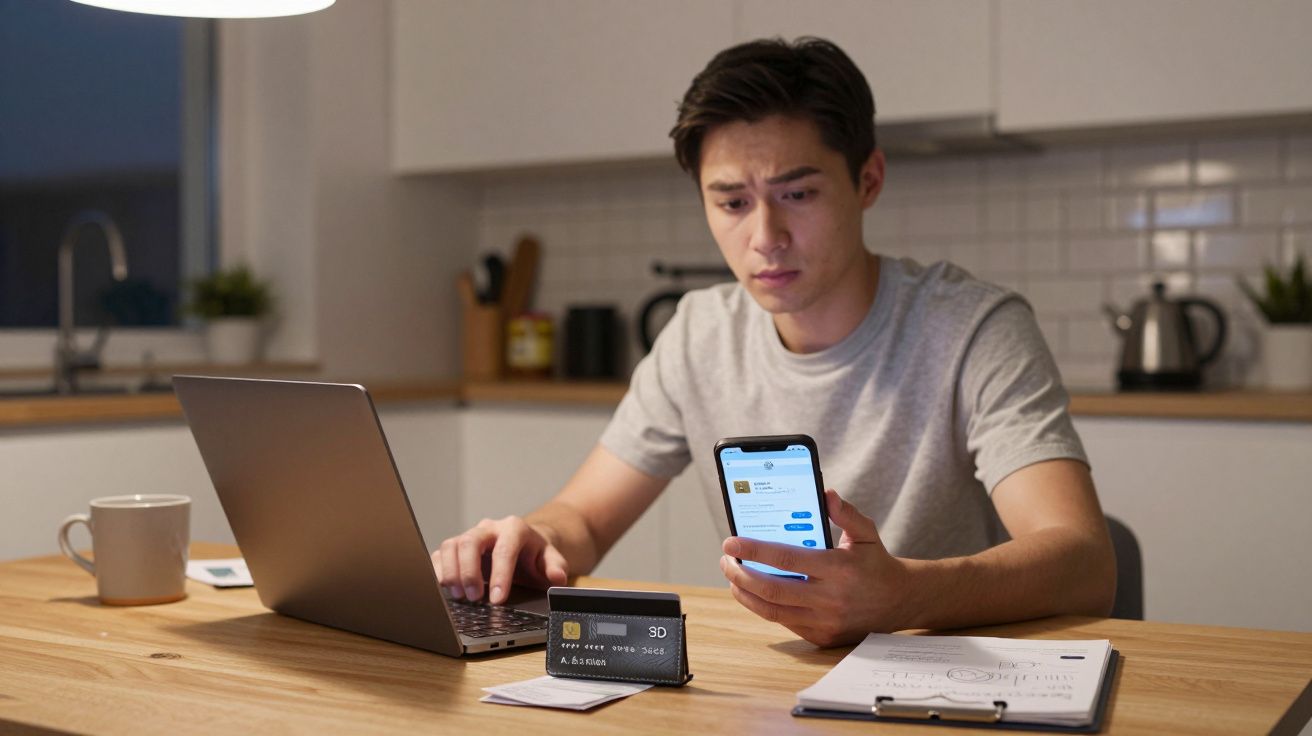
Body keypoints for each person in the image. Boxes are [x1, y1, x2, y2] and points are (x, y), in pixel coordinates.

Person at [434, 37, 1116, 647]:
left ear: (867, 180)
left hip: (944, 682)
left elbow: (1083, 562)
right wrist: (535, 540)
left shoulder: (974, 329)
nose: (764, 237)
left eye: (797, 194)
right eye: (731, 203)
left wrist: (903, 594)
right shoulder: (698, 334)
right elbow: (582, 517)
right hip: (768, 691)